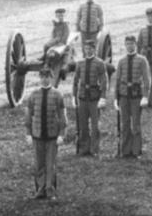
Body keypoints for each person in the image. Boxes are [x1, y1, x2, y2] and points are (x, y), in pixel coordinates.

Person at [24, 68, 66, 199]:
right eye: (42, 76)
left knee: (50, 164)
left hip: (52, 136)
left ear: (52, 78)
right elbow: (28, 116)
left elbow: (62, 116)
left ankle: (50, 190)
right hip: (37, 136)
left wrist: (61, 134)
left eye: (47, 76)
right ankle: (40, 189)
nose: (45, 79)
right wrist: (28, 134)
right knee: (39, 164)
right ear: (39, 78)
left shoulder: (58, 95)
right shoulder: (33, 95)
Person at [69, 39, 108, 157]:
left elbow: (104, 81)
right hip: (82, 97)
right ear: (84, 50)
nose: (88, 51)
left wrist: (103, 97)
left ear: (94, 49)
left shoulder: (100, 63)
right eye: (86, 48)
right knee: (83, 125)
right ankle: (84, 148)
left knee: (95, 125)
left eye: (91, 48)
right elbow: (75, 81)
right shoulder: (80, 63)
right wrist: (73, 96)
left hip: (94, 97)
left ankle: (94, 149)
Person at [114, 34, 151, 158]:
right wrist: (115, 98)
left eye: (132, 43)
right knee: (125, 124)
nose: (130, 46)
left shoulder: (142, 60)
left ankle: (136, 151)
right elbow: (118, 80)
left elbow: (146, 79)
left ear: (135, 44)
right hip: (124, 95)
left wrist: (145, 96)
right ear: (125, 45)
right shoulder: (121, 61)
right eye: (127, 44)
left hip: (136, 95)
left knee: (135, 124)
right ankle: (125, 150)